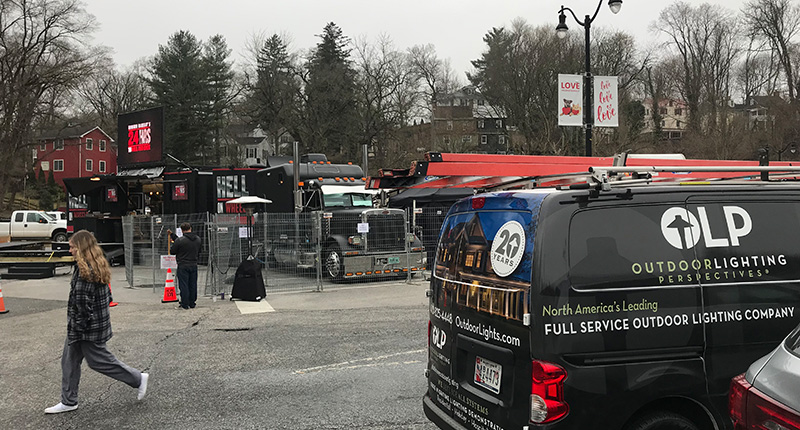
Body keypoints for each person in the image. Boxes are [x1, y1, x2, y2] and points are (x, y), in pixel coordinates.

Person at [45, 230, 148, 414]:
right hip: (93, 325)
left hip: (85, 329)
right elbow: (107, 295)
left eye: (72, 247)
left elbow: (82, 306)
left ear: (81, 248)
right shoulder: (98, 263)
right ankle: (68, 401)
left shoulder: (84, 271)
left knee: (98, 361)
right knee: (69, 361)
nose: (70, 250)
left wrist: (77, 329)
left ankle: (138, 379)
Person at [169, 222, 202, 310]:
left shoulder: (180, 241)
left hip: (183, 264)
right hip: (194, 263)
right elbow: (200, 251)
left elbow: (172, 251)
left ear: (182, 230)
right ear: (190, 228)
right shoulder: (198, 239)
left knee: (184, 285)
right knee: (193, 284)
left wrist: (173, 243)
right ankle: (192, 302)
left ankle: (185, 303)